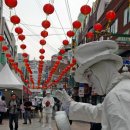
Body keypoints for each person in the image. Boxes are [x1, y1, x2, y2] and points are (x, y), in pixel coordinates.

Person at [55, 40, 130, 130]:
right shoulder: (121, 90)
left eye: (89, 76)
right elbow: (99, 112)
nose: (89, 84)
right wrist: (71, 106)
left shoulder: (117, 95)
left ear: (101, 70)